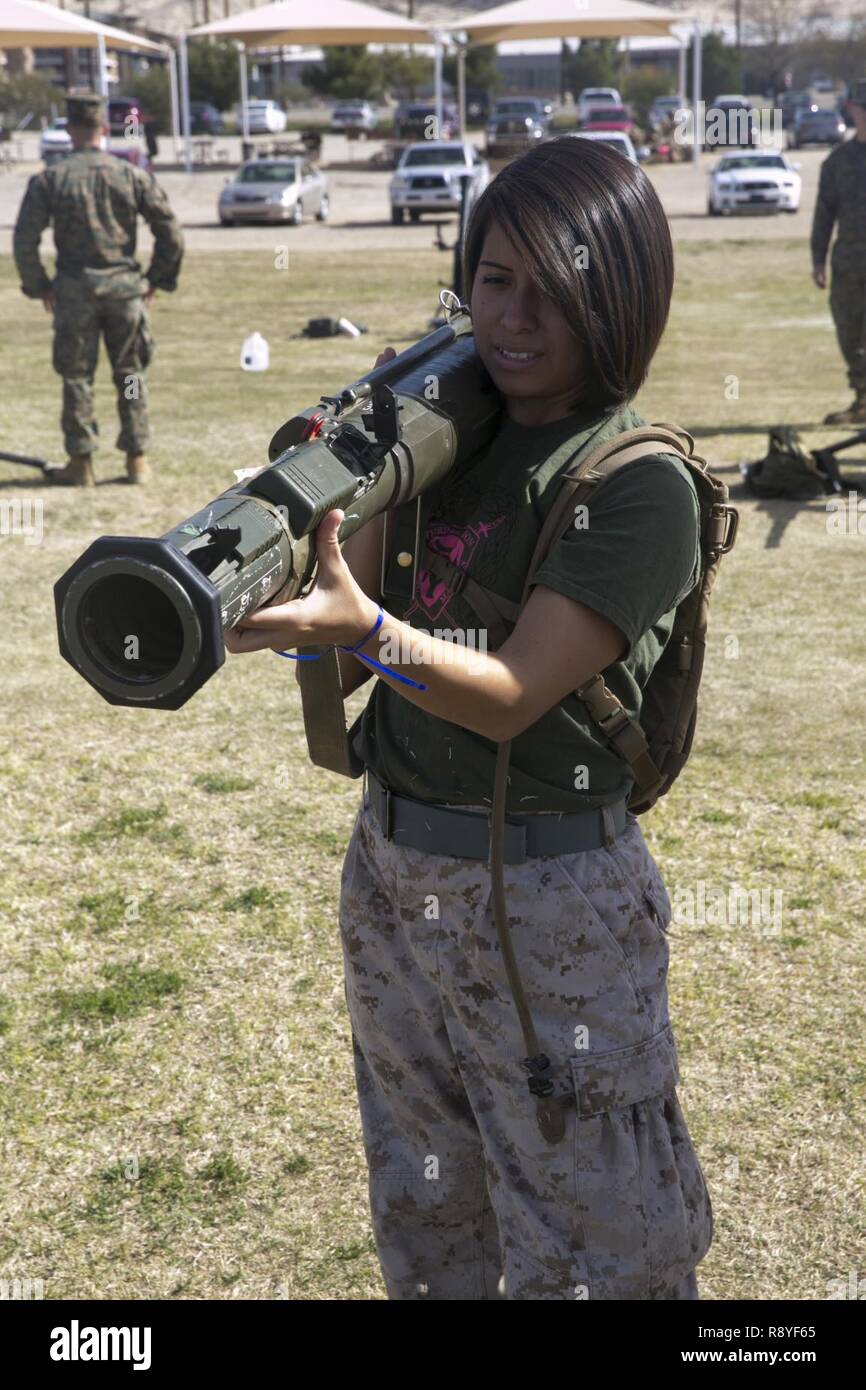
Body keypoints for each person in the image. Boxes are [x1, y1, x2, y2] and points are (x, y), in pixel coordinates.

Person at [225, 136, 714, 1300]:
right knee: (429, 1202)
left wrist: (358, 635)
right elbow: (380, 603)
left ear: (624, 292)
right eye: (495, 279)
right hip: (395, 869)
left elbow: (505, 694)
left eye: (558, 286)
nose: (517, 317)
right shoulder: (456, 436)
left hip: (544, 903)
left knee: (593, 1234)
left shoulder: (635, 480)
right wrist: (364, 463)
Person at [13, 90, 183, 486]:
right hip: (125, 290)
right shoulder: (131, 174)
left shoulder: (50, 179)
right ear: (104, 129)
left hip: (74, 291)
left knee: (77, 377)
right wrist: (155, 279)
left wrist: (39, 286)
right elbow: (170, 232)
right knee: (129, 375)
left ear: (70, 130)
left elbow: (24, 239)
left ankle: (81, 462)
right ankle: (137, 459)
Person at [811, 78, 866, 425]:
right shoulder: (837, 162)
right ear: (852, 110)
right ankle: (863, 398)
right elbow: (824, 212)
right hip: (849, 262)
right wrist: (817, 259)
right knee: (849, 330)